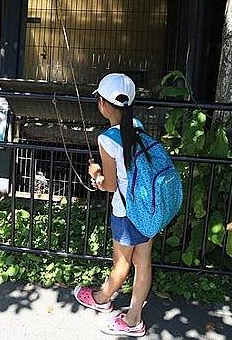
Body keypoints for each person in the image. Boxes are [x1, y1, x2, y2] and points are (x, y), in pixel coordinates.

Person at [73, 73, 151, 337]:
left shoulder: (107, 139)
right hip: (147, 208)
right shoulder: (138, 125)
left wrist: (95, 174)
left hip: (126, 211)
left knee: (122, 263)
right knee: (143, 263)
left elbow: (110, 185)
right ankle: (134, 316)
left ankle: (101, 298)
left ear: (103, 105)